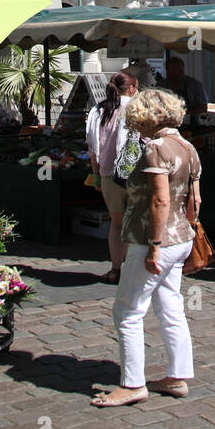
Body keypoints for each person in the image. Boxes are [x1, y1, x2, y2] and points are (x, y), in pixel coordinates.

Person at [91, 88, 201, 407]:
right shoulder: (187, 146)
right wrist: (188, 231)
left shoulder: (155, 148)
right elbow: (195, 200)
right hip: (181, 237)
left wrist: (154, 245)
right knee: (170, 306)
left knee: (127, 310)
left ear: (146, 116)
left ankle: (132, 383)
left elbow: (159, 199)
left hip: (154, 239)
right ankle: (177, 375)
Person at [85, 70, 139, 285]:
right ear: (132, 88)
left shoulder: (99, 110)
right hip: (137, 175)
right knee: (139, 224)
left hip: (109, 174)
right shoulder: (138, 108)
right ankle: (137, 271)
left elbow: (92, 148)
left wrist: (97, 175)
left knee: (117, 224)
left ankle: (116, 270)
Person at [157, 54, 208, 120]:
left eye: (180, 70)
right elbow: (155, 106)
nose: (177, 73)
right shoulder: (161, 86)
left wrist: (185, 114)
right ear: (167, 71)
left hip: (192, 122)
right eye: (174, 71)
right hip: (167, 122)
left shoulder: (195, 85)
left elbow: (204, 106)